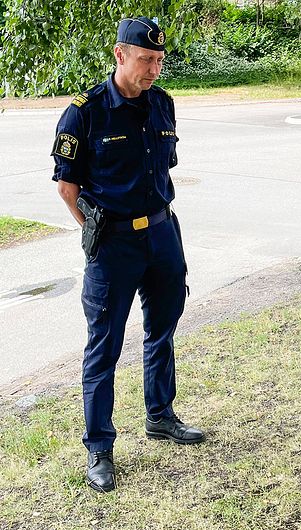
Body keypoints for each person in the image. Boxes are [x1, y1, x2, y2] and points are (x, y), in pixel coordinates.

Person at [51, 17, 205, 494]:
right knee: (104, 347)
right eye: (145, 60)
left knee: (162, 330)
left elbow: (161, 173)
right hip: (113, 244)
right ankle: (99, 448)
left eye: (159, 61)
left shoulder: (162, 104)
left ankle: (160, 416)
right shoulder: (85, 113)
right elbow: (67, 189)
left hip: (161, 235)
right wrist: (98, 232)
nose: (154, 70)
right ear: (120, 55)